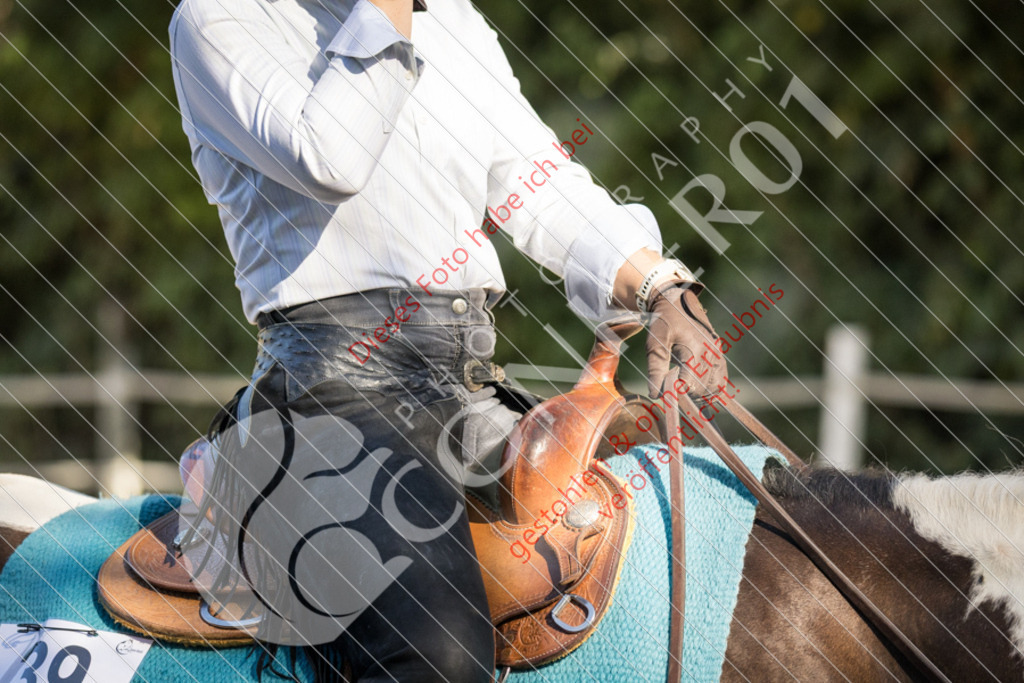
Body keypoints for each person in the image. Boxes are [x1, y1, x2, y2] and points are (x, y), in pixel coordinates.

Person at [168, 0, 727, 679]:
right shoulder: (220, 17)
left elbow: (539, 185)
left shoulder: (452, 20)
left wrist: (661, 287)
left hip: (469, 386)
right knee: (440, 653)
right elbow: (330, 156)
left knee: (662, 560)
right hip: (330, 399)